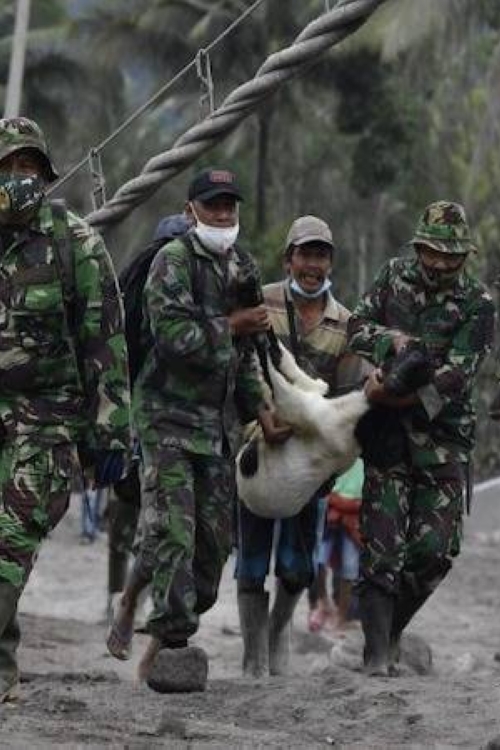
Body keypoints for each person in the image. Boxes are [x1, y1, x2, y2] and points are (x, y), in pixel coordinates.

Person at [106, 168, 288, 687]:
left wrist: (260, 408)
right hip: (164, 419)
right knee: (175, 535)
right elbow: (173, 339)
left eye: (231, 206)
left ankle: (152, 610)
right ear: (192, 212)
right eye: (214, 206)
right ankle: (170, 647)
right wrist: (234, 325)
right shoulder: (173, 263)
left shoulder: (243, 266)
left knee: (214, 547)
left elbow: (247, 355)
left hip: (215, 426)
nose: (224, 215)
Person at [0, 116, 131, 702]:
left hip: (46, 421)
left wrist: (111, 431)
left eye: (27, 167)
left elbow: (105, 339)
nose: (17, 178)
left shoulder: (75, 243)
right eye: (7, 167)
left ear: (45, 175)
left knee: (8, 544)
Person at [348, 201, 495, 676]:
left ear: (464, 257)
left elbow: (458, 375)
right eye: (431, 253)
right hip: (387, 437)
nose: (439, 264)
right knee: (381, 547)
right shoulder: (392, 277)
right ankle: (374, 656)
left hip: (443, 436)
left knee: (435, 553)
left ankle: (391, 632)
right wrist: (390, 343)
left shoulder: (479, 303)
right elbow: (356, 327)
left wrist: (397, 396)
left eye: (450, 257)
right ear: (418, 248)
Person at [235, 215, 368, 678]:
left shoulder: (346, 323)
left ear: (330, 261)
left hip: (310, 463)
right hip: (258, 448)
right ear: (288, 258)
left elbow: (349, 391)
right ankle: (253, 657)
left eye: (321, 255)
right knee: (252, 560)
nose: (312, 265)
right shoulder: (262, 303)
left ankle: (277, 633)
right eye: (304, 254)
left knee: (296, 565)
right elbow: (239, 364)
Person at [106, 213, 191, 619]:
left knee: (154, 520)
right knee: (133, 512)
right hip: (140, 414)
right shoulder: (136, 295)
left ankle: (138, 600)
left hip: (166, 419)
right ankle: (121, 597)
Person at [307, 457, 364, 634]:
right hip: (330, 508)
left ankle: (341, 616)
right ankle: (322, 605)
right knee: (318, 561)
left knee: (349, 568)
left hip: (353, 512)